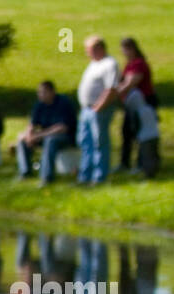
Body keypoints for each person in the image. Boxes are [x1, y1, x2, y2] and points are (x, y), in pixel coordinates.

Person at [75, 36, 120, 185]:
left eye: (89, 50)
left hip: (99, 110)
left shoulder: (109, 64)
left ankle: (99, 176)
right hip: (86, 110)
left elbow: (111, 89)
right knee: (85, 143)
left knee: (99, 143)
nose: (88, 53)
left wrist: (99, 107)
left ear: (99, 48)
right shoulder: (94, 64)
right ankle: (85, 175)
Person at [15, 80, 78, 185]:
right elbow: (32, 124)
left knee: (50, 141)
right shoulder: (40, 105)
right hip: (46, 135)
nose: (40, 95)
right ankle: (25, 172)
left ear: (52, 92)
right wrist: (29, 135)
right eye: (39, 92)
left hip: (66, 137)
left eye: (43, 92)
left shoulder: (63, 103)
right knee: (22, 141)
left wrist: (38, 135)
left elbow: (62, 128)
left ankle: (46, 177)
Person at [110, 38, 157, 174]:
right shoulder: (130, 64)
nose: (123, 52)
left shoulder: (138, 64)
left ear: (132, 49)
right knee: (127, 132)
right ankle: (125, 163)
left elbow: (130, 83)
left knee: (140, 134)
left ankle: (141, 164)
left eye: (125, 49)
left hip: (143, 105)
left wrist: (111, 95)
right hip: (131, 105)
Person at [122, 86, 160, 178]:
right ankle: (155, 170)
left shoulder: (137, 113)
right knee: (153, 154)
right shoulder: (149, 108)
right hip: (155, 134)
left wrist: (135, 135)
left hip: (144, 137)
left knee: (146, 156)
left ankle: (148, 174)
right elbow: (157, 119)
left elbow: (136, 126)